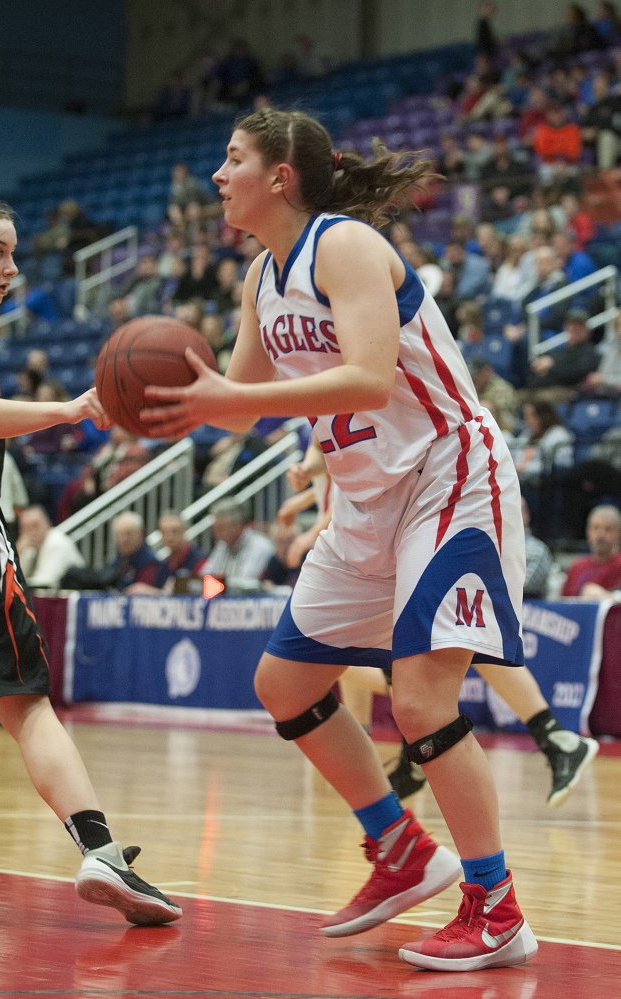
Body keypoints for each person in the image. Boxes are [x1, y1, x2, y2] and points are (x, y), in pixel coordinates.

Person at [138, 108, 538, 971]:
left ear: (280, 176)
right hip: (364, 498)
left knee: (423, 698)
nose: (218, 174)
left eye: (233, 159)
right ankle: (400, 849)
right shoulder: (259, 279)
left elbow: (367, 373)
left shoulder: (345, 247)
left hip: (447, 473)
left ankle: (496, 903)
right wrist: (135, 404)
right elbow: (232, 400)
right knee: (284, 682)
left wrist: (223, 403)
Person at [0, 195, 181, 926]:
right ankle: (100, 850)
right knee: (24, 699)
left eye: (14, 252)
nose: (12, 267)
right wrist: (65, 411)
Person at [201, 497, 274, 591]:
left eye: (220, 527)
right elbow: (204, 576)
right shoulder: (222, 545)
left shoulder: (259, 545)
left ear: (237, 525)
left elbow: (247, 583)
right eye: (214, 528)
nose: (214, 533)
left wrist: (217, 583)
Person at [16, 504, 85, 590]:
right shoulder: (29, 549)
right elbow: (16, 578)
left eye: (35, 526)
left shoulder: (57, 542)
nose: (32, 532)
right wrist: (17, 553)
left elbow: (44, 583)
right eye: (25, 528)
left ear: (47, 524)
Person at [561, 503, 621, 595]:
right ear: (587, 531)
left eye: (608, 529)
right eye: (595, 528)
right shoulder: (576, 567)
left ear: (618, 533)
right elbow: (563, 603)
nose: (601, 535)